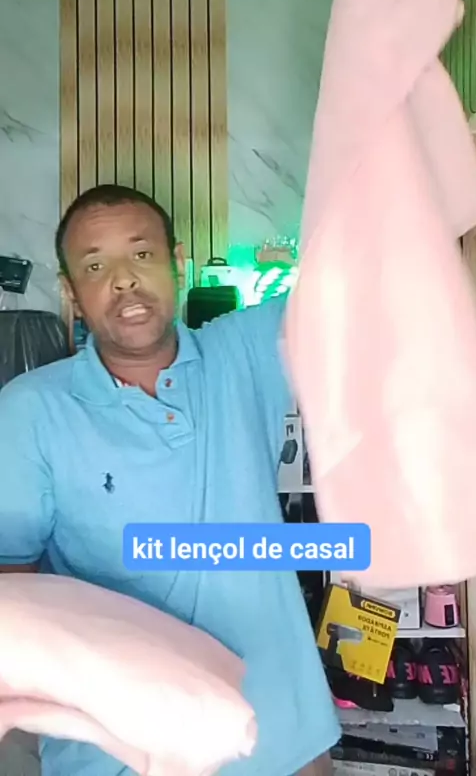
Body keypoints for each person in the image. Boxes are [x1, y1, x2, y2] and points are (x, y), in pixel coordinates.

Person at [0, 183, 340, 776]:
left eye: (142, 254)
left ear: (177, 264)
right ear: (70, 291)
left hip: (281, 737)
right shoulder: (31, 410)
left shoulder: (246, 351)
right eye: (95, 266)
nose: (124, 281)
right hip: (119, 756)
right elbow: (13, 587)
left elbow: (359, 277)